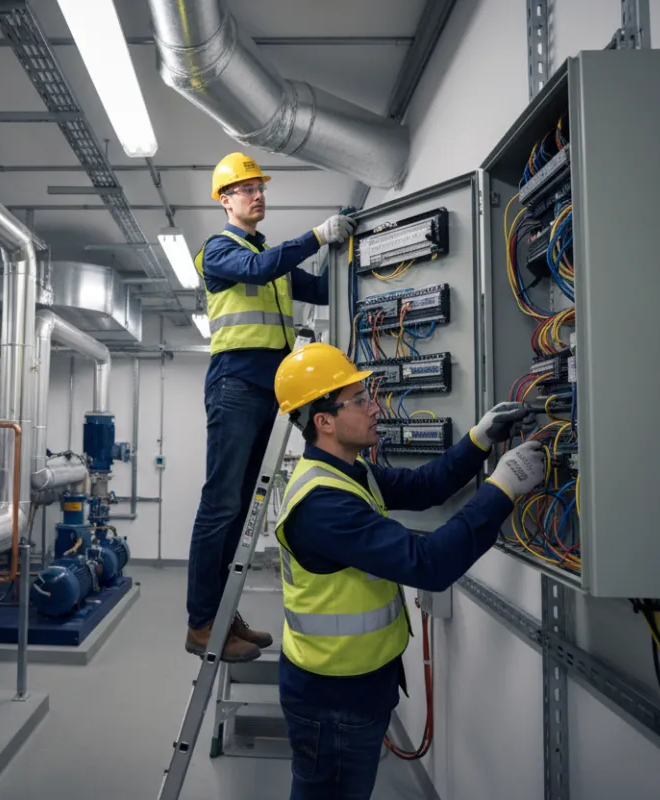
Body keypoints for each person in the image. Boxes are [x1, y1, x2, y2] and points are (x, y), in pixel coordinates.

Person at [271, 342, 547, 799]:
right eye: (360, 401)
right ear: (324, 421)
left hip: (356, 684)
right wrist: (504, 486)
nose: (375, 408)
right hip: (332, 698)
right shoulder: (322, 505)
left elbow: (423, 487)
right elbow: (429, 564)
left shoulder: (350, 472)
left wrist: (480, 439)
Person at [185, 153, 356, 663]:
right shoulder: (219, 250)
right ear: (225, 200)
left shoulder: (272, 259)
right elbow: (259, 267)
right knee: (220, 505)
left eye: (260, 187)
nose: (257, 195)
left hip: (270, 391)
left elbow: (324, 291)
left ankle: (222, 615)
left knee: (241, 509)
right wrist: (318, 235)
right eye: (245, 189)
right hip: (235, 385)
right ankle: (200, 623)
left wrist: (357, 253)